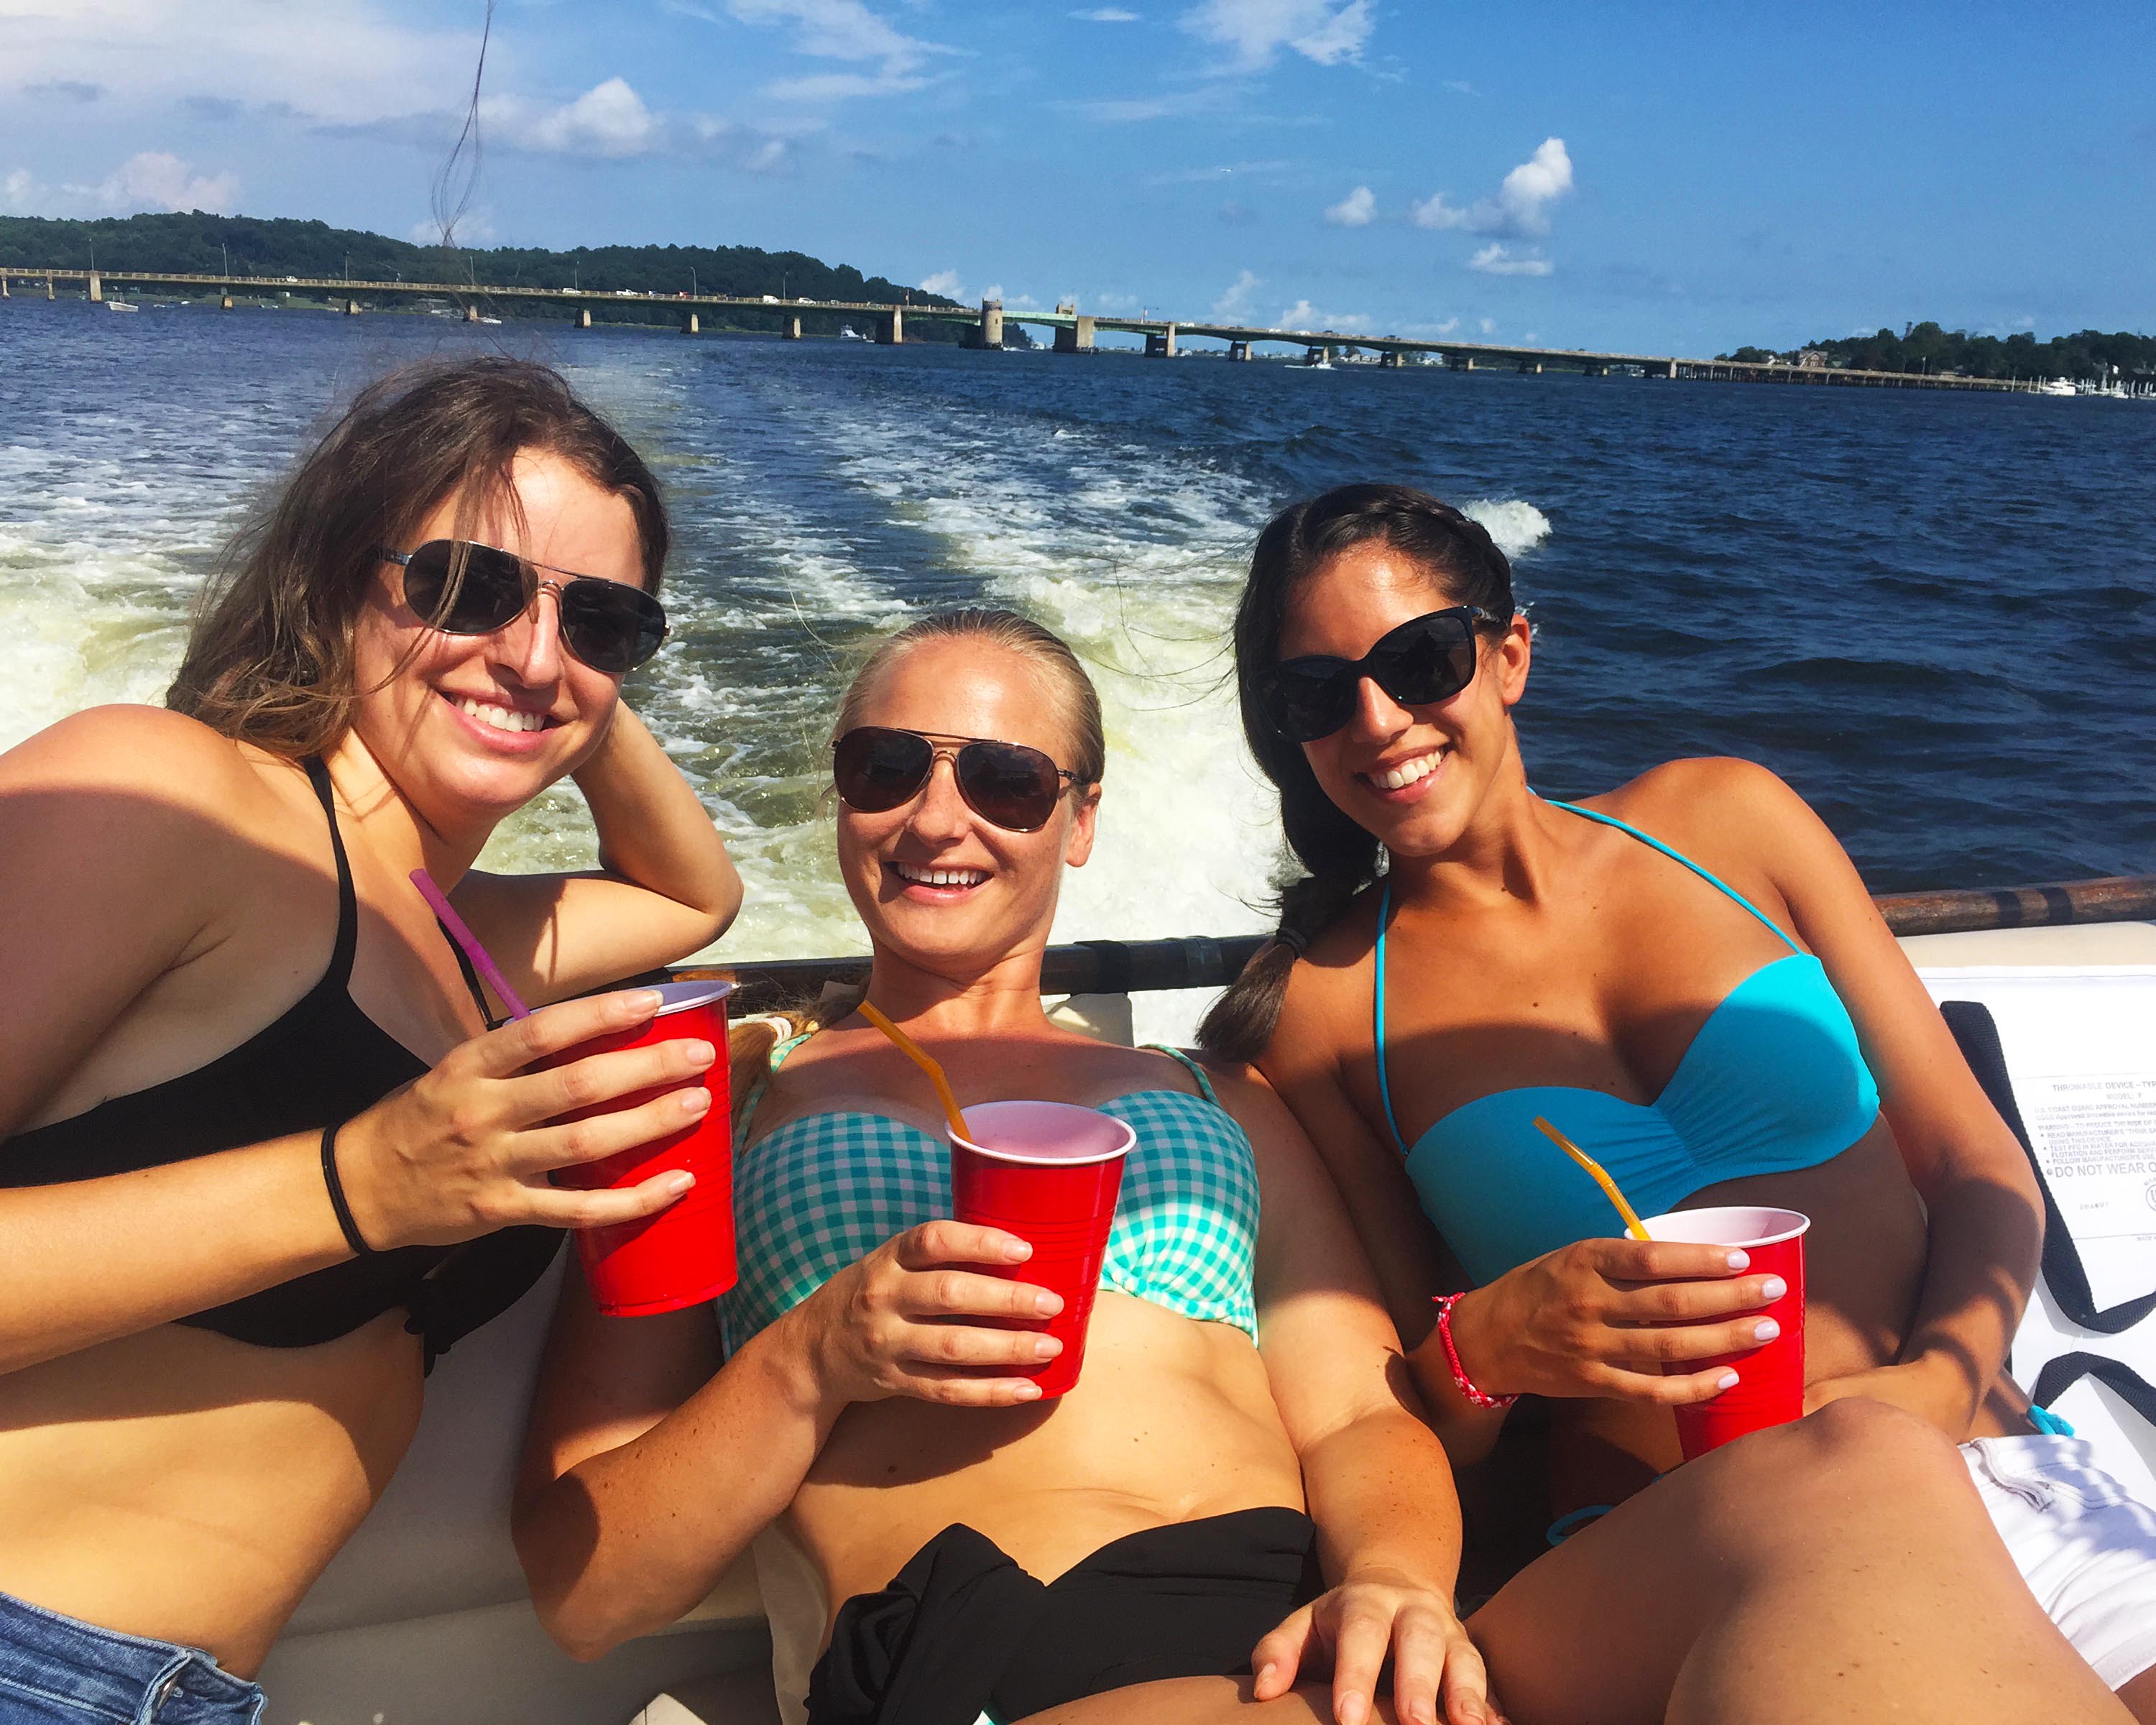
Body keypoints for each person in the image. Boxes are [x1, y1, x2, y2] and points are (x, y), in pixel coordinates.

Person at [514, 605, 2132, 1725]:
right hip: (1031, 1628)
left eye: (1003, 779)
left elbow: (1361, 1412)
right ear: (842, 800)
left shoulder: (1215, 1088)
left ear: (1078, 823)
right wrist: (816, 1359)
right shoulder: (724, 1092)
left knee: (1858, 1476)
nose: (941, 814)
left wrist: (1399, 1590)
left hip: (1335, 1631)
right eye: (889, 768)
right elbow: (587, 1587)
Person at [1197, 482, 2156, 1716]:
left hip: (1995, 1452)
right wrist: (1485, 1349)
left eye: (1419, 660)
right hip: (1678, 1545)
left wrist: (1935, 1381)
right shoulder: (1326, 1020)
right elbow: (1405, 1427)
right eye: (1318, 696)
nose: (1378, 721)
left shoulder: (1731, 822)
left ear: (1508, 656)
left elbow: (1977, 1162)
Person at [0, 356, 742, 1721]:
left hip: (190, 1693)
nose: (529, 650)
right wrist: (358, 1186)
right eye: (466, 583)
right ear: (345, 572)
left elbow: (696, 897)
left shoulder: (462, 934)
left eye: (611, 622)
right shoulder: (173, 796)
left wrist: (552, 664)